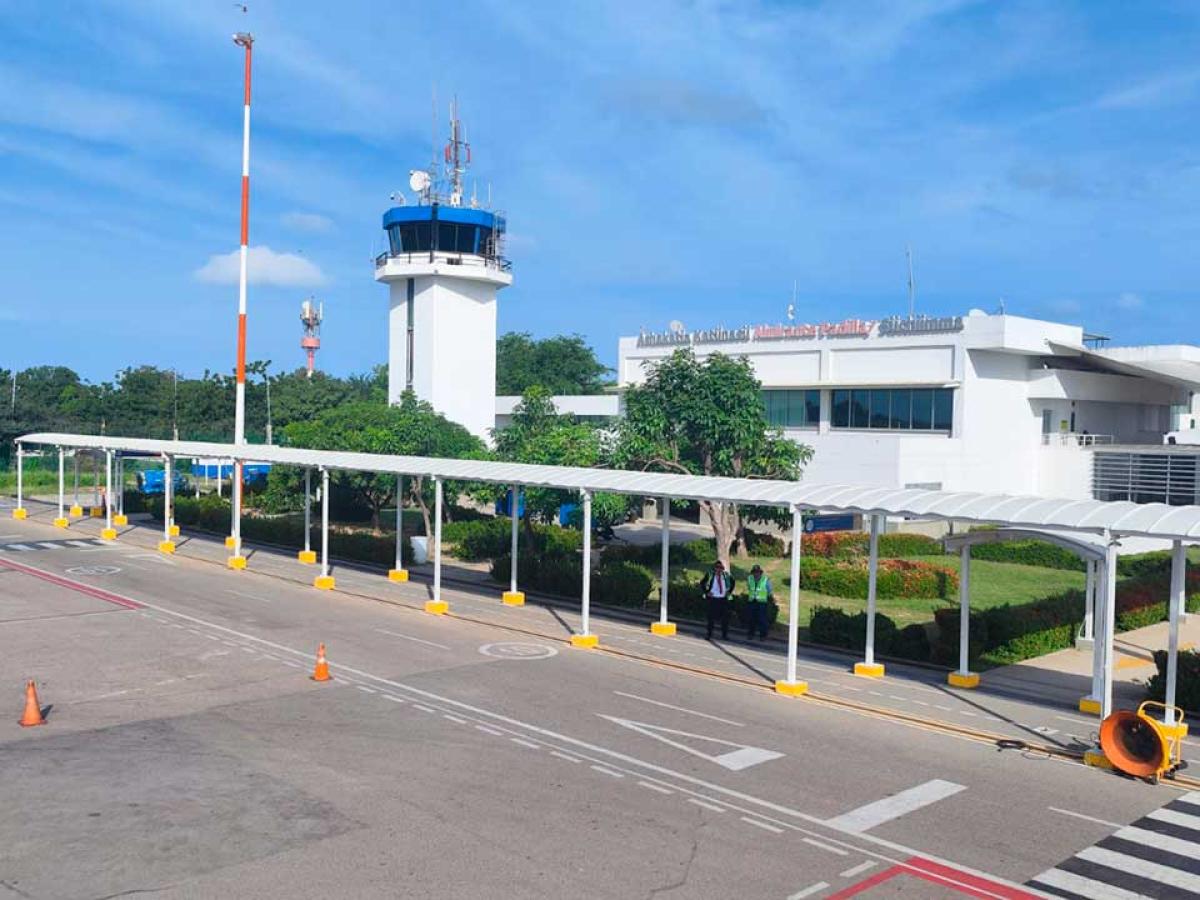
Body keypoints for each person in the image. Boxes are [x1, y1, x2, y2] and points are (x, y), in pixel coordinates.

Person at [702, 560, 735, 640]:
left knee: (725, 618)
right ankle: (709, 634)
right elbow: (702, 583)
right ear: (714, 568)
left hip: (723, 599)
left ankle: (724, 635)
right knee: (711, 618)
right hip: (713, 599)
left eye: (720, 568)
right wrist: (707, 592)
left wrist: (729, 592)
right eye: (717, 568)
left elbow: (733, 582)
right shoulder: (710, 575)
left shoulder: (726, 576)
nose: (719, 570)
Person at [745, 564, 774, 641]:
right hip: (752, 602)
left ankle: (763, 636)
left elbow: (769, 590)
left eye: (757, 572)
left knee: (762, 620)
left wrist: (765, 597)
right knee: (751, 619)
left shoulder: (765, 580)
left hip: (762, 603)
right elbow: (748, 587)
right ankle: (750, 634)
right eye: (754, 572)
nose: (755, 574)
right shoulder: (749, 578)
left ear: (760, 572)